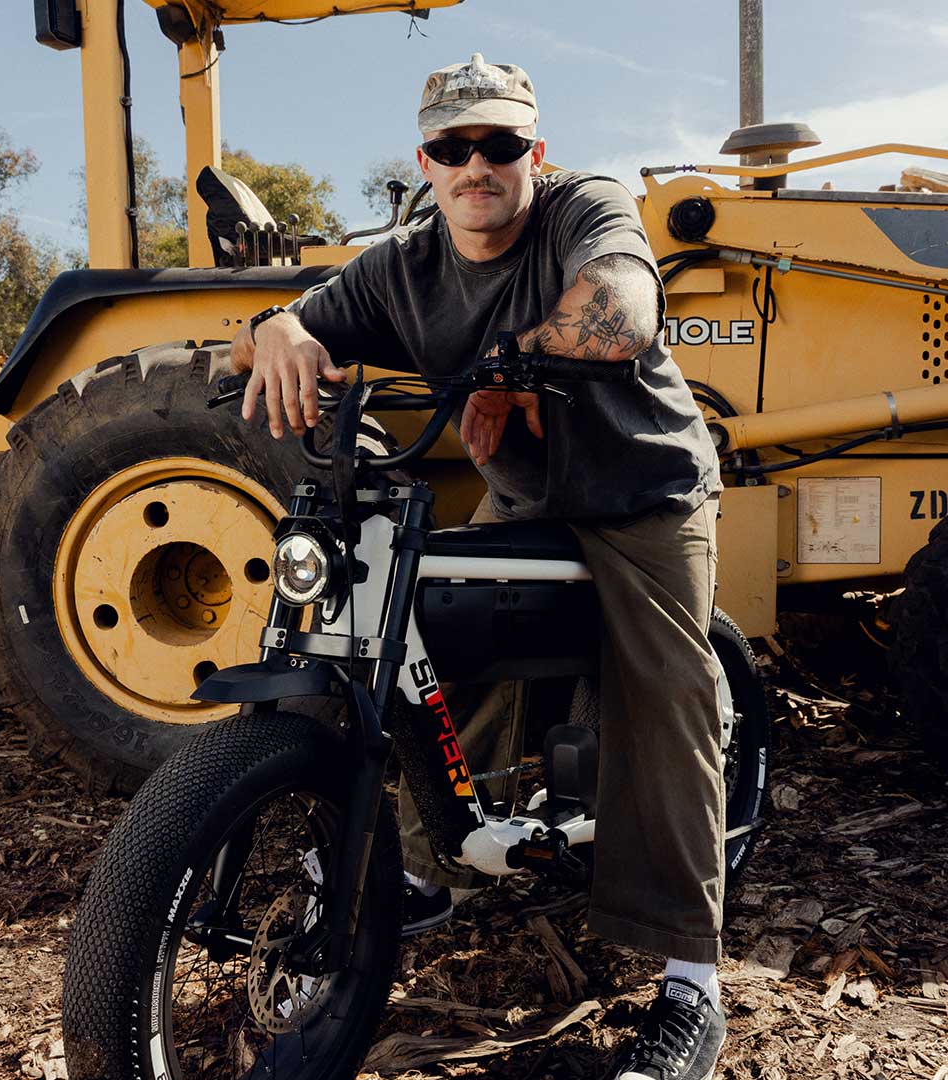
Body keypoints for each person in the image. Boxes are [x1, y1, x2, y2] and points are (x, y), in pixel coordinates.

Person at [230, 52, 727, 1080]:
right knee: (436, 635)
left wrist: (516, 358)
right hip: (530, 496)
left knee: (662, 695)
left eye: (498, 144)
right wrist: (274, 329)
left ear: (533, 153)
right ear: (427, 160)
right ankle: (433, 867)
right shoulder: (404, 265)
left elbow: (626, 310)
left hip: (644, 495)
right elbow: (288, 326)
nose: (476, 165)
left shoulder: (583, 209)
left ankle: (690, 980)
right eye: (453, 148)